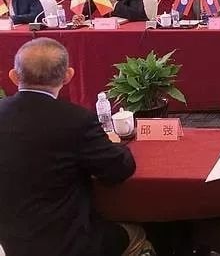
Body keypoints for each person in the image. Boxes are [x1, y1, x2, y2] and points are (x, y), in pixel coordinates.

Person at [0, 38, 154, 256]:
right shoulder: (76, 121)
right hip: (66, 244)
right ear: (68, 76)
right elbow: (119, 170)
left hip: (9, 244)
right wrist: (115, 144)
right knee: (138, 233)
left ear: (14, 76)